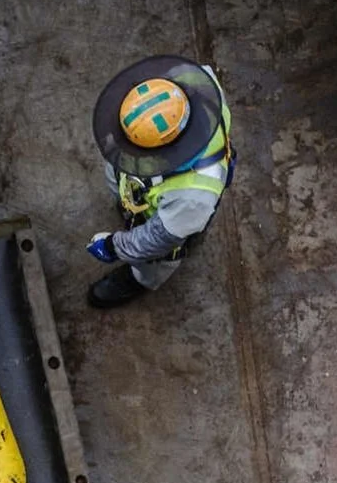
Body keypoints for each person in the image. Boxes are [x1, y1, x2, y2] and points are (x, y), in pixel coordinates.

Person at [84, 55, 233, 309]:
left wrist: (113, 247)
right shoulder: (193, 83)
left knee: (159, 258)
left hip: (172, 223)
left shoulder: (193, 196)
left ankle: (139, 280)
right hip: (144, 189)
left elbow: (156, 239)